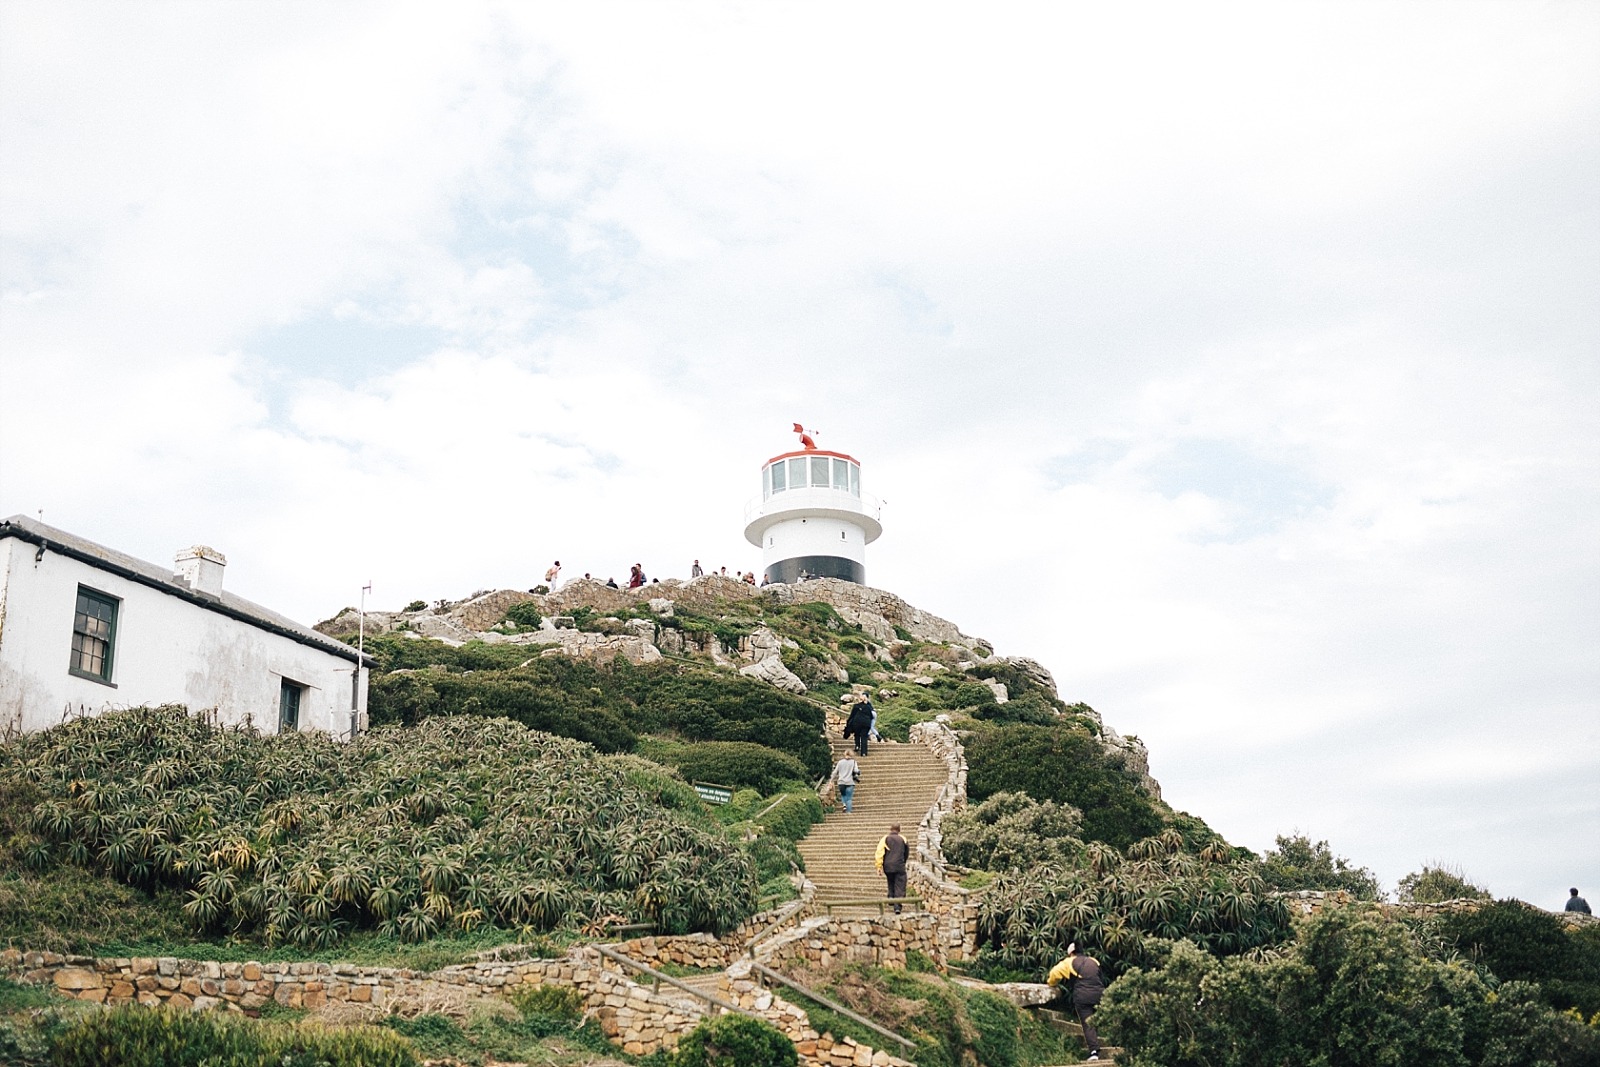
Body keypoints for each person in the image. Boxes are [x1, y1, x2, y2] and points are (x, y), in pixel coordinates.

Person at [1047, 943, 1106, 1061]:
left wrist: (1051, 983)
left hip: (1082, 996)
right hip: (1099, 994)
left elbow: (1054, 974)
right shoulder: (1094, 961)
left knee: (1088, 1023)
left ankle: (1094, 1052)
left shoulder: (1068, 962)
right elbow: (1100, 977)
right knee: (1098, 1020)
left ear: (1070, 953)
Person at [875, 824, 908, 913]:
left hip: (887, 865)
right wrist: (903, 862)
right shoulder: (903, 839)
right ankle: (897, 906)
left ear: (890, 829)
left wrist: (879, 866)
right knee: (899, 884)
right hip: (899, 865)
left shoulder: (885, 839)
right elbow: (906, 853)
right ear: (899, 830)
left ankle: (891, 897)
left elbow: (879, 852)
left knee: (891, 880)